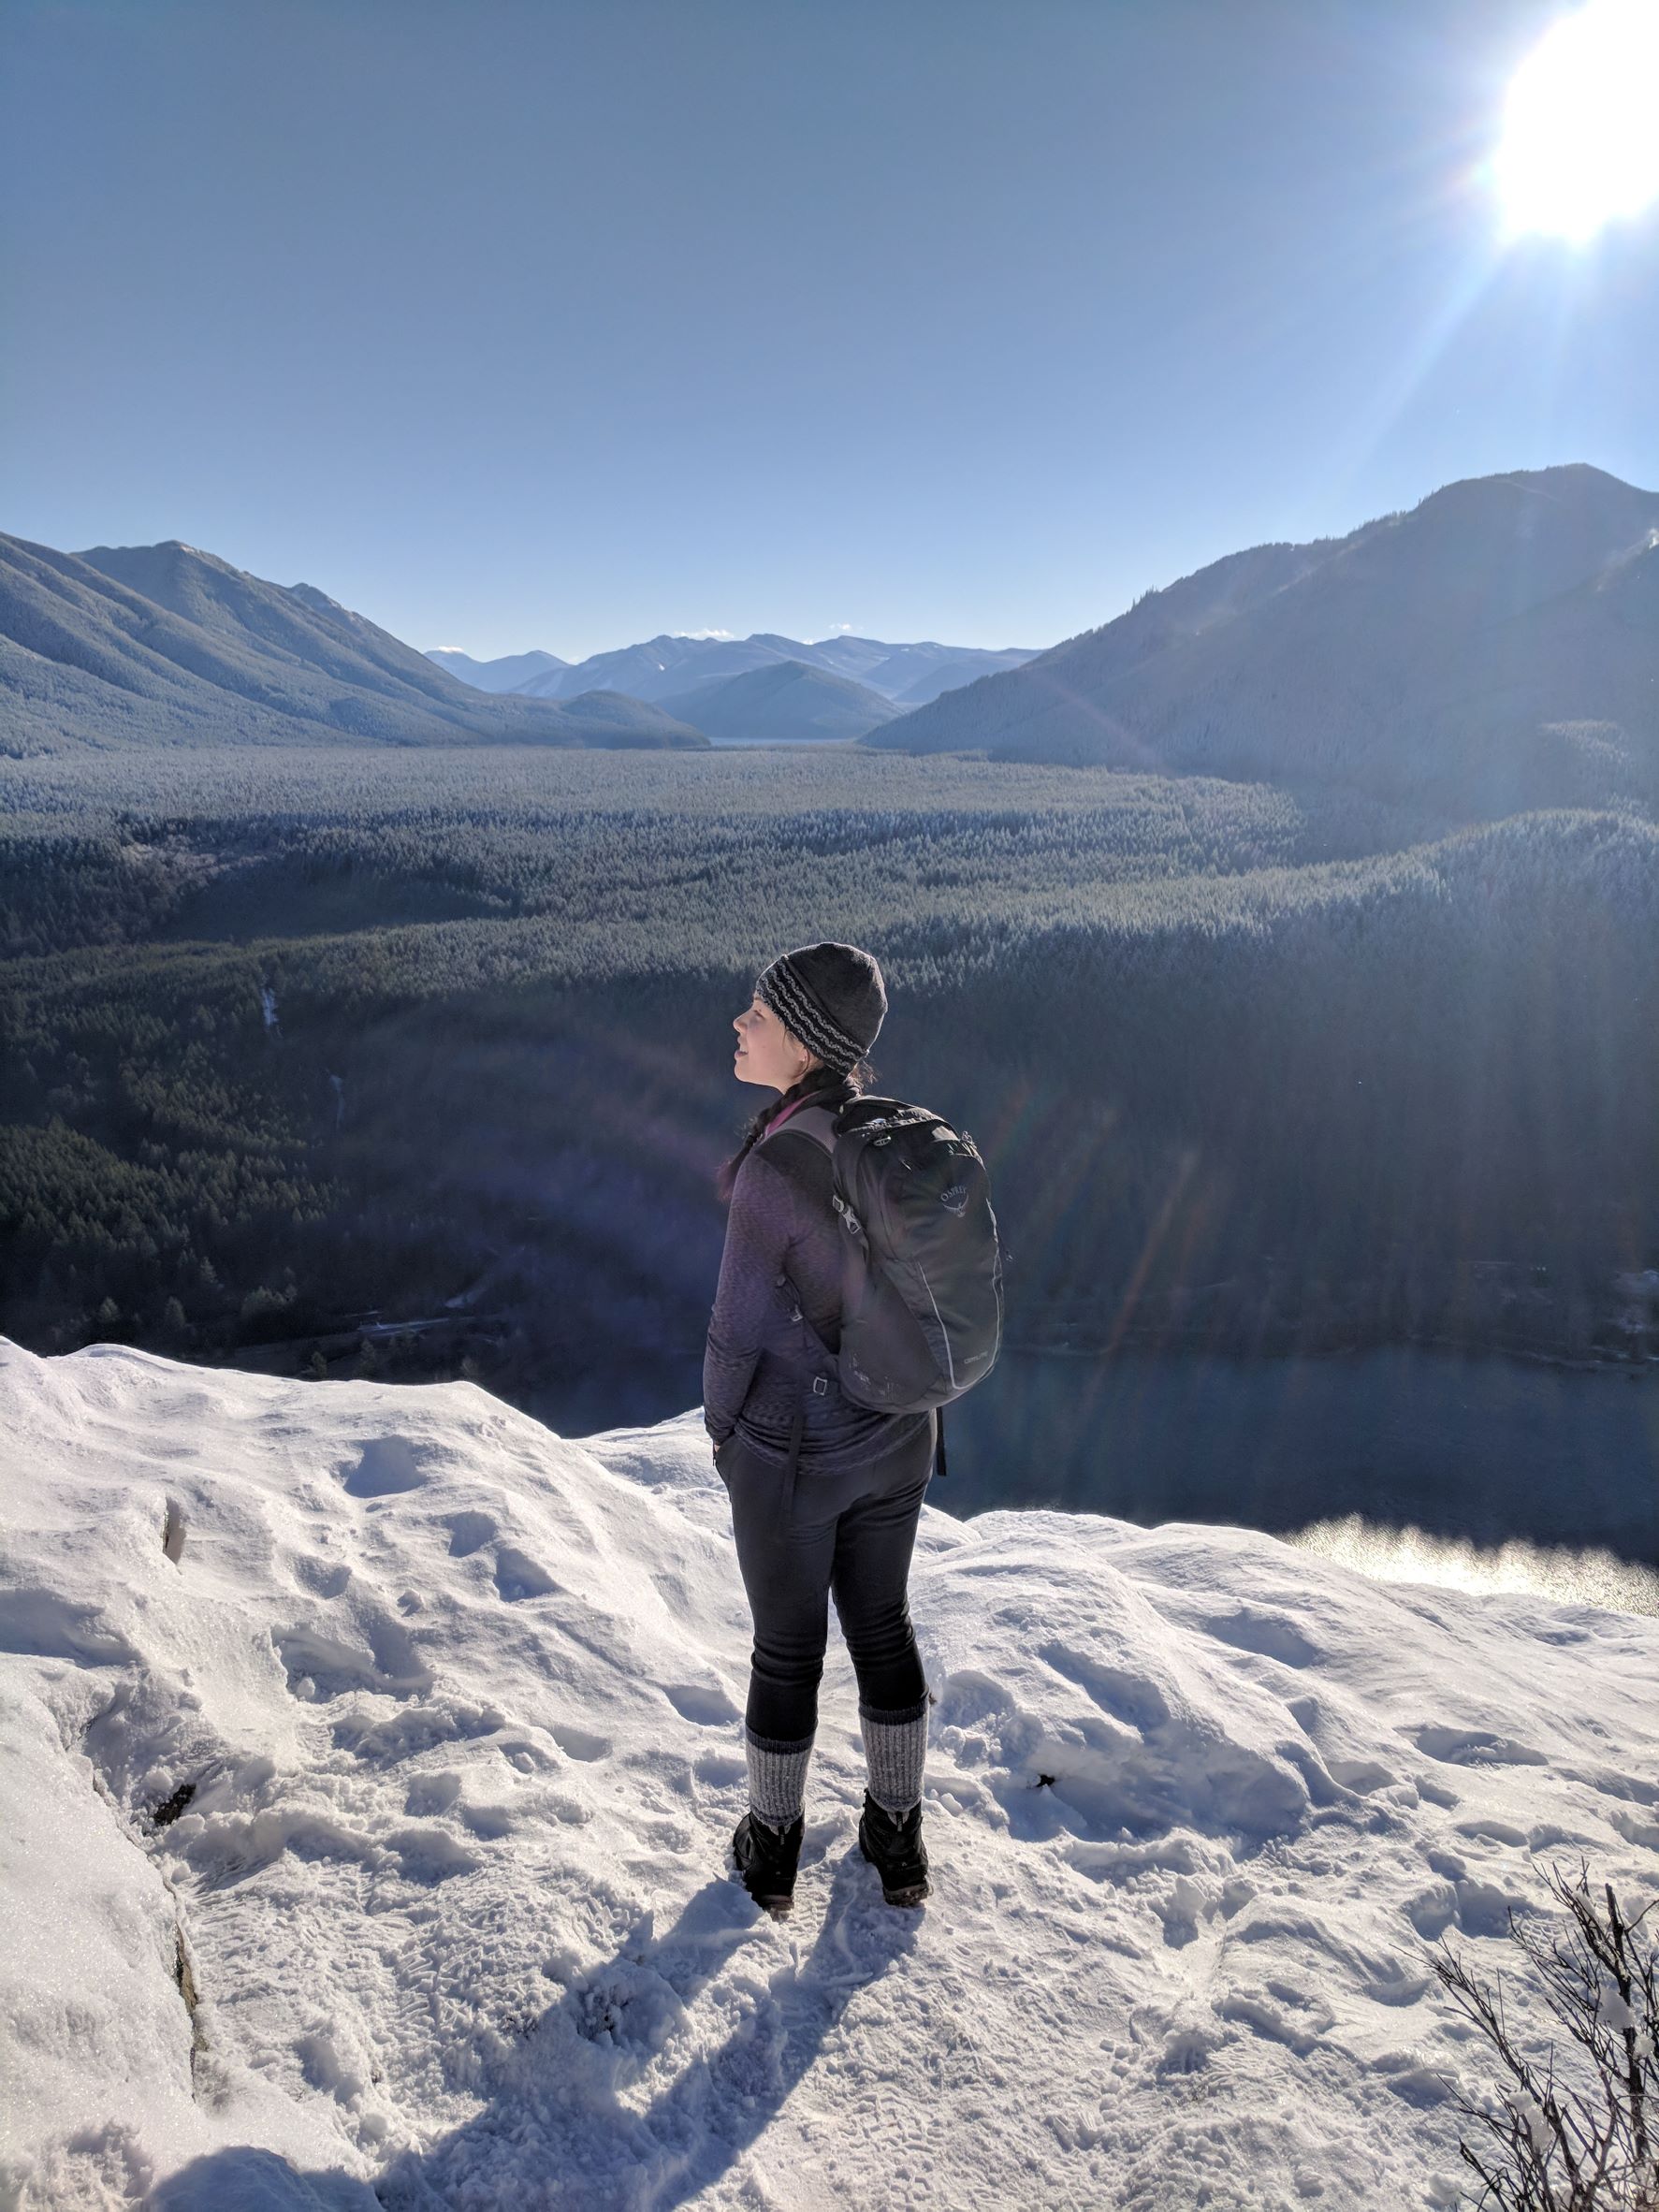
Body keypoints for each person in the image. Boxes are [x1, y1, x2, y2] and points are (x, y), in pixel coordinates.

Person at [704, 940, 937, 1914]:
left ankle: (771, 1846)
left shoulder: (776, 1166)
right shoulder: (890, 1134)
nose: (739, 1023)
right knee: (882, 1623)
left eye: (758, 1012)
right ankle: (896, 1838)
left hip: (798, 1456)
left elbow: (735, 1334)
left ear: (802, 1043)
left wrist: (724, 1438)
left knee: (787, 1649)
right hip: (902, 1433)